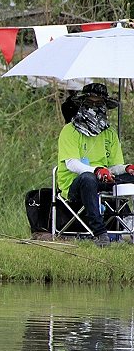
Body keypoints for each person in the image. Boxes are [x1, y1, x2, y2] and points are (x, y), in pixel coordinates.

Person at [56, 82, 134, 247]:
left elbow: (114, 168)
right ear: (82, 104)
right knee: (88, 178)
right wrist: (97, 170)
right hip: (75, 184)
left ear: (105, 106)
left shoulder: (110, 133)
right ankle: (100, 234)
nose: (94, 107)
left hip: (104, 180)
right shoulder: (70, 130)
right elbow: (71, 164)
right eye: (90, 103)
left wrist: (126, 168)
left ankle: (130, 222)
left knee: (129, 176)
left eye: (99, 103)